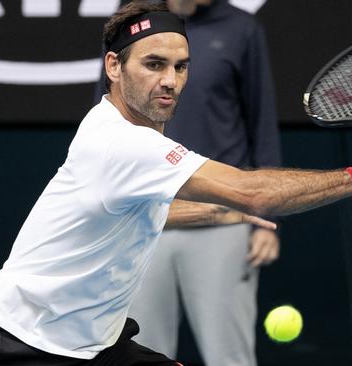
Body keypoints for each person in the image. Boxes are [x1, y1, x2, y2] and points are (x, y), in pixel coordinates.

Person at [0, 1, 352, 365]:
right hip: (19, 347)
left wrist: (219, 212)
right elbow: (254, 190)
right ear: (114, 67)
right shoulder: (125, 144)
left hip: (95, 348)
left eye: (180, 67)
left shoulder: (116, 129)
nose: (171, 81)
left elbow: (136, 210)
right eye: (153, 64)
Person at [119, 1, 282, 365]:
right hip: (146, 221)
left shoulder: (242, 29)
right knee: (142, 355)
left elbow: (262, 124)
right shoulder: (134, 25)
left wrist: (268, 221)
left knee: (230, 357)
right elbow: (108, 117)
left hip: (223, 222)